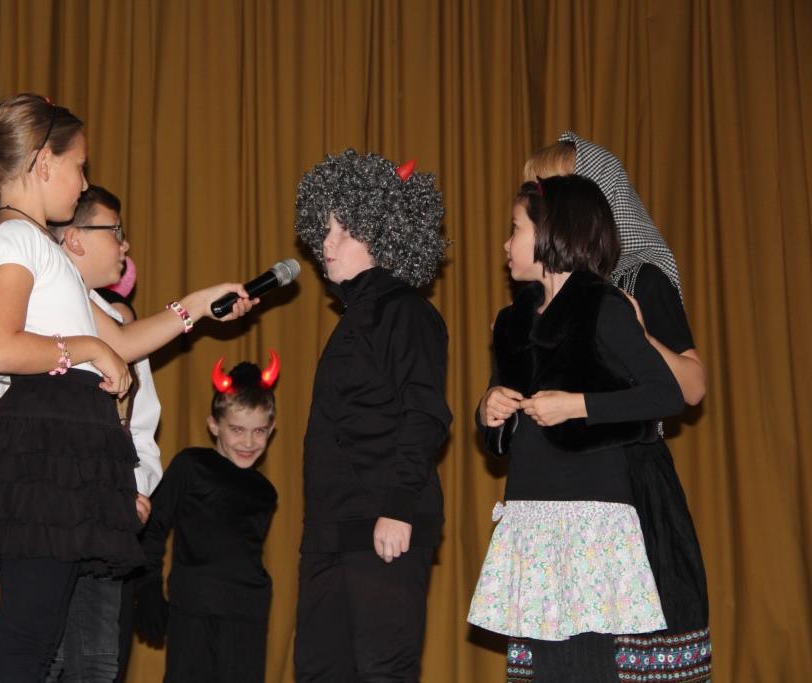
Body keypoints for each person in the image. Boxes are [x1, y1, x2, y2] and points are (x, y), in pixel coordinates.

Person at [0, 93, 254, 682]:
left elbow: (122, 341)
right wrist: (85, 348)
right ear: (43, 163)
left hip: (68, 446)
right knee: (29, 639)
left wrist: (199, 304)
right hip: (45, 447)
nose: (84, 183)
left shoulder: (44, 252)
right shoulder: (15, 241)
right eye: (79, 167)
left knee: (45, 639)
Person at [467, 175, 686, 682]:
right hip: (532, 514)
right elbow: (499, 429)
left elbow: (666, 394)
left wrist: (578, 405)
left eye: (515, 229)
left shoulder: (603, 307)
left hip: (591, 519)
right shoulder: (512, 321)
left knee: (589, 664)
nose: (506, 243)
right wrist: (488, 409)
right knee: (546, 667)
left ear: (553, 233)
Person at [523, 133, 712, 681]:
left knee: (628, 653)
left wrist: (636, 332)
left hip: (630, 482)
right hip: (563, 484)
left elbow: (692, 386)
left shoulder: (638, 275)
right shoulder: (542, 291)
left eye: (550, 193)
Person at [292, 149, 452, 682]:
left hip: (383, 520)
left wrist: (398, 507)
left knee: (383, 670)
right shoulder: (354, 317)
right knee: (319, 671)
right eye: (324, 230)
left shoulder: (406, 311)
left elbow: (424, 413)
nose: (326, 244)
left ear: (382, 233)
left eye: (343, 231)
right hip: (330, 529)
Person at [43, 184, 163, 682]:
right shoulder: (36, 306)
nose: (125, 243)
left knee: (96, 660)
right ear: (74, 239)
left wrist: (135, 487)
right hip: (48, 507)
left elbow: (142, 423)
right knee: (44, 653)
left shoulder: (120, 324)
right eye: (115, 231)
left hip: (107, 510)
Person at [134, 357, 280, 683]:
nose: (248, 442)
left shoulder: (265, 492)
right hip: (193, 608)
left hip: (248, 614)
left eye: (259, 431)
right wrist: (148, 588)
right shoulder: (191, 465)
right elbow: (153, 528)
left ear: (271, 430)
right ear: (214, 425)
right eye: (237, 429)